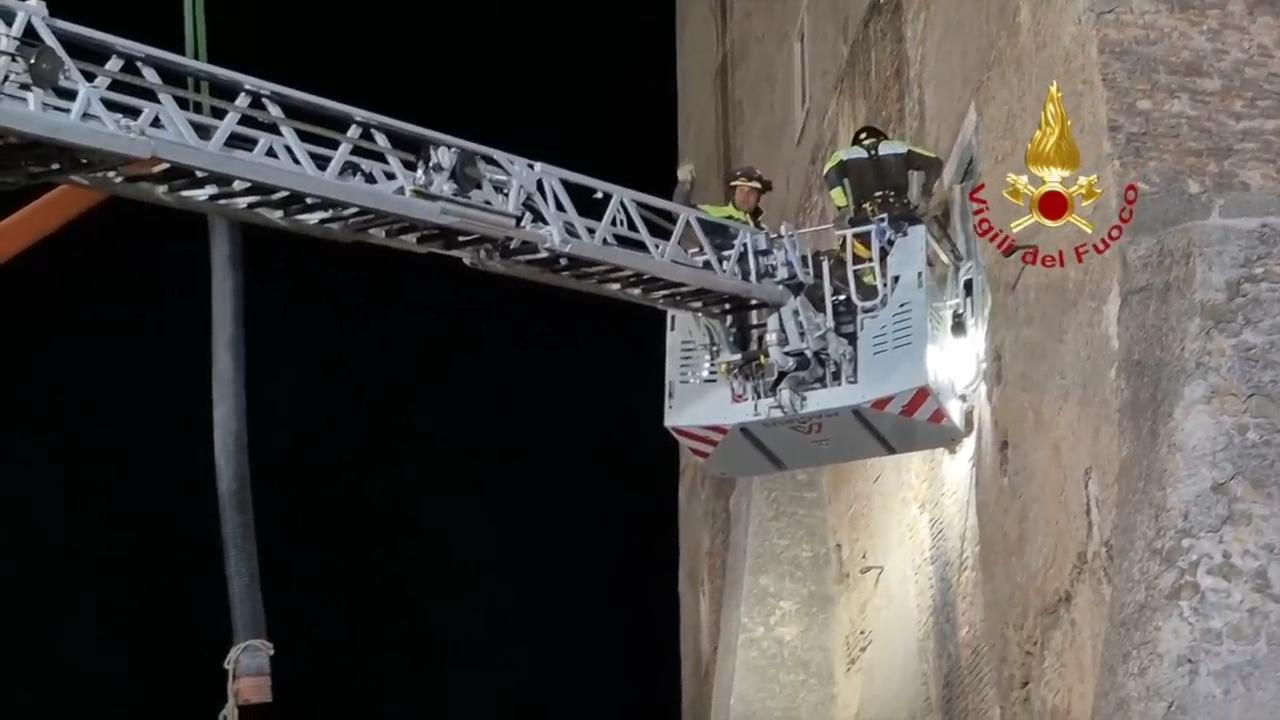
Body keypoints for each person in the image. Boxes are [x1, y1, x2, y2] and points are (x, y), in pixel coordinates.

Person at [821, 125, 944, 300]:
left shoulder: (844, 155)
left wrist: (845, 210)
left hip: (868, 227)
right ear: (882, 138)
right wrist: (925, 197)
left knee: (840, 270)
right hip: (906, 219)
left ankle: (876, 297)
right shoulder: (897, 147)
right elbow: (934, 163)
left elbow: (830, 172)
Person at [672, 162, 774, 353]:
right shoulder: (717, 215)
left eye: (751, 192)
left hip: (755, 291)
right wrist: (684, 184)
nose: (745, 196)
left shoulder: (761, 231)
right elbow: (680, 212)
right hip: (726, 283)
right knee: (733, 336)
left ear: (759, 197)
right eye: (740, 190)